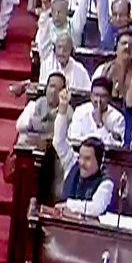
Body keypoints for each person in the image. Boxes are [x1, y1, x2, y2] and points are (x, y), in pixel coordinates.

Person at [51, 87, 113, 216]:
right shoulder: (72, 163)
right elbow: (58, 141)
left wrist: (69, 205)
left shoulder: (106, 183)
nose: (82, 162)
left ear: (99, 161)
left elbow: (96, 208)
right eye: (81, 157)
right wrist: (62, 109)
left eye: (87, 159)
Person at [66, 77, 125, 146]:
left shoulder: (118, 118)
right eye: (96, 95)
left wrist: (100, 125)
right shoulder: (80, 111)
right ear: (91, 96)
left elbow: (117, 146)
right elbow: (74, 140)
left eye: (103, 96)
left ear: (109, 97)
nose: (98, 100)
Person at [14, 72, 67, 139]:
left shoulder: (68, 112)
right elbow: (19, 126)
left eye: (59, 89)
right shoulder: (34, 104)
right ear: (46, 88)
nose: (53, 91)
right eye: (52, 86)